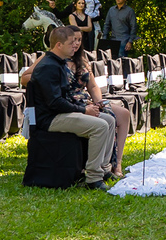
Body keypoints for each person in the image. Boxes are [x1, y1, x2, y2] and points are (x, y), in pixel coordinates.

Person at [26, 26, 116, 190]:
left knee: (108, 120)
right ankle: (93, 178)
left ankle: (104, 169)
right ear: (59, 45)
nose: (75, 45)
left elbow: (65, 97)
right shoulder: (48, 66)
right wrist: (84, 110)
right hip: (50, 118)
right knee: (100, 126)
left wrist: (86, 105)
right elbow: (55, 103)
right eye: (71, 42)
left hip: (62, 112)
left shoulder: (58, 63)